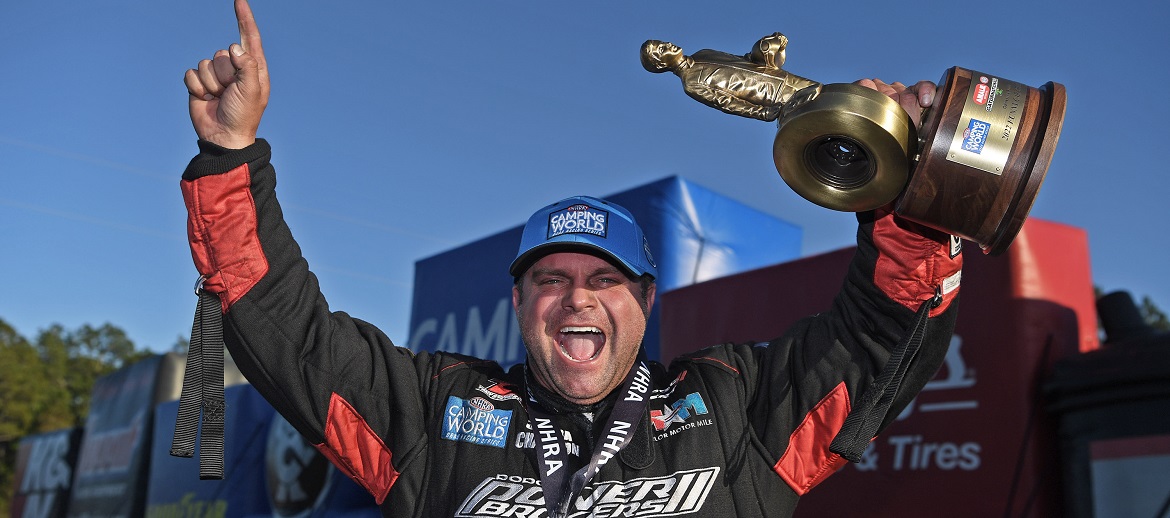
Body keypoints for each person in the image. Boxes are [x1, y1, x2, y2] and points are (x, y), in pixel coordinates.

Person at [177, 1, 961, 516]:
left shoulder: (733, 407)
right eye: (550, 280)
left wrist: (909, 195)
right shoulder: (436, 414)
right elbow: (286, 330)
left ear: (646, 302)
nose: (577, 299)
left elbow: (878, 339)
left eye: (605, 280)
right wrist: (228, 156)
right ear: (518, 306)